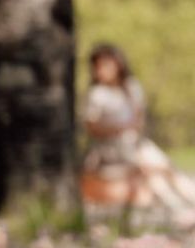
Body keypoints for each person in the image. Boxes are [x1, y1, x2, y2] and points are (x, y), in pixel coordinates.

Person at [82, 42, 195, 212]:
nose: (102, 70)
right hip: (111, 149)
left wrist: (130, 128)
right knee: (153, 171)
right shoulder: (96, 95)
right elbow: (92, 127)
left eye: (106, 64)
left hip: (136, 144)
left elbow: (138, 118)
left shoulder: (131, 87)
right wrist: (120, 129)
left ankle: (186, 207)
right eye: (98, 66)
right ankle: (180, 210)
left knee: (166, 170)